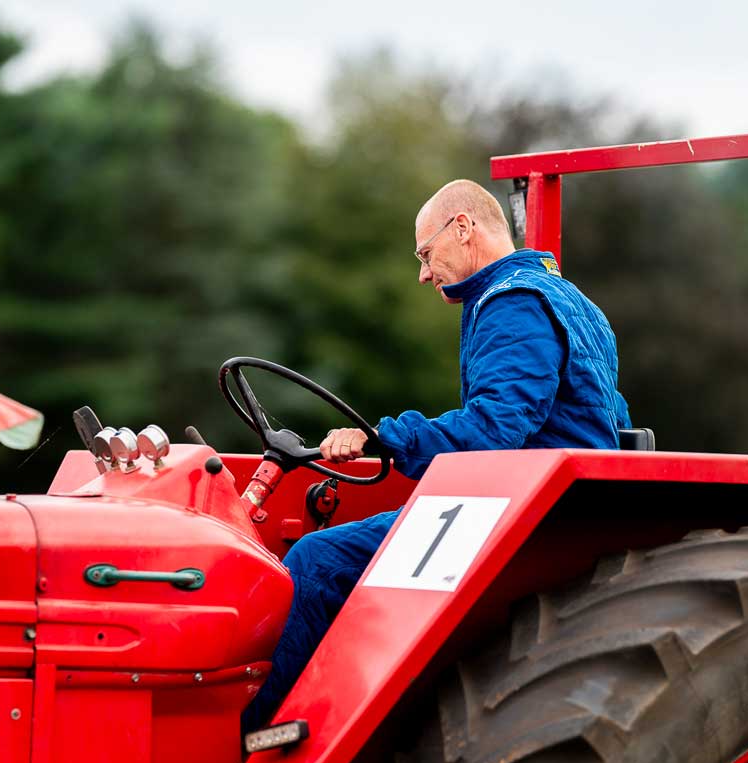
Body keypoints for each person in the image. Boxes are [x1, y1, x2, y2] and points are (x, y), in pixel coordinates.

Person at [242, 179, 630, 732]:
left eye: (426, 254)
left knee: (315, 560)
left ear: (464, 228)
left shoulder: (512, 302)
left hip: (519, 511)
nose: (423, 273)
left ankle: (252, 740)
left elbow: (495, 429)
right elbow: (601, 413)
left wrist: (385, 439)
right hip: (549, 501)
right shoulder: (569, 298)